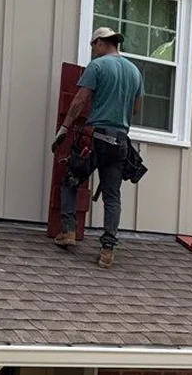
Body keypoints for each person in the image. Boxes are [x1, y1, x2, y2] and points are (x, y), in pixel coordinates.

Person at [52, 26, 142, 267]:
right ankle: (107, 250)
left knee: (71, 179)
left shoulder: (98, 66)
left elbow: (79, 100)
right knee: (112, 196)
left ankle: (69, 231)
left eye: (93, 45)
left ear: (101, 42)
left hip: (96, 137)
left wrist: (64, 129)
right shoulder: (135, 72)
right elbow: (136, 109)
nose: (93, 50)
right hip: (121, 141)